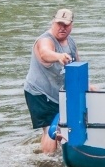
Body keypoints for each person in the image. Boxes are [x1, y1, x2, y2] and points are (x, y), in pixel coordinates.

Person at [24, 9, 95, 154]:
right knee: (51, 128)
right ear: (53, 22)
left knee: (64, 125)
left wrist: (87, 86)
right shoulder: (45, 40)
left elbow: (77, 67)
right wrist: (58, 56)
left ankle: (57, 153)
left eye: (66, 25)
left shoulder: (71, 43)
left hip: (58, 92)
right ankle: (47, 162)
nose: (62, 28)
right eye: (59, 24)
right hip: (40, 92)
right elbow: (45, 53)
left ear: (71, 25)